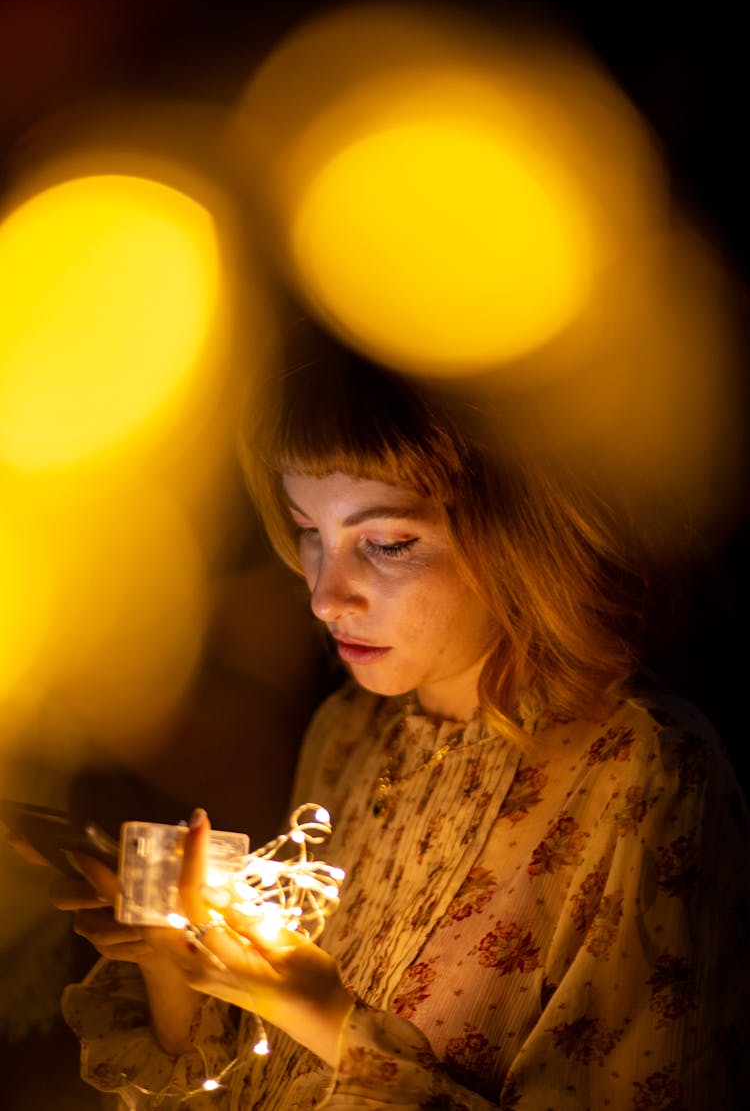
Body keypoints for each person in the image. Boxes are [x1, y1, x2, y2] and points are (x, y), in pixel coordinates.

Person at [40, 329, 750, 1108]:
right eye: (309, 532)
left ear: (519, 532)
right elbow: (259, 1083)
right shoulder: (350, 734)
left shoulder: (643, 776)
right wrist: (178, 967)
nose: (325, 594)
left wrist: (328, 1017)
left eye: (384, 542)